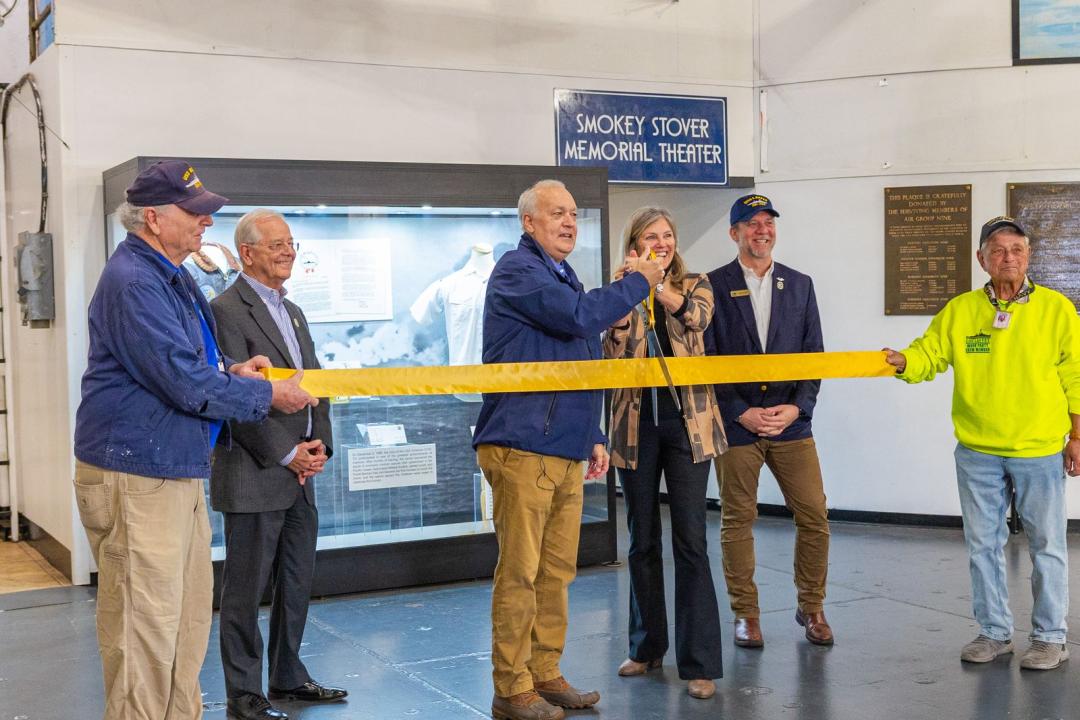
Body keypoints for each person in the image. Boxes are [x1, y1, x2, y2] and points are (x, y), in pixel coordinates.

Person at [72, 161, 316, 720]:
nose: (208, 222)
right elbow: (181, 380)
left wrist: (234, 370)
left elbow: (193, 364)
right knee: (145, 632)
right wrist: (266, 397)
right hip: (137, 476)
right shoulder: (134, 282)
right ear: (154, 218)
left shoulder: (172, 276)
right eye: (195, 212)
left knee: (182, 626)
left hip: (171, 469)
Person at [472, 179, 664, 720]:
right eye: (557, 213)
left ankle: (544, 673)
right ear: (528, 222)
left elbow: (581, 357)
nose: (569, 222)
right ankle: (511, 689)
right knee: (521, 573)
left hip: (564, 447)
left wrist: (593, 435)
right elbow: (577, 319)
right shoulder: (518, 270)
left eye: (574, 214)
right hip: (523, 445)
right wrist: (639, 284)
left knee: (556, 572)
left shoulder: (563, 276)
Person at [884, 215, 1080, 671]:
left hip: (1040, 448)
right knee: (982, 545)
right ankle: (994, 633)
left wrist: (1078, 436)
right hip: (977, 451)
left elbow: (1076, 375)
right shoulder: (961, 310)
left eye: (1016, 249)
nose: (1007, 257)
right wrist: (902, 361)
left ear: (1028, 255)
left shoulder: (1058, 310)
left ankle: (1050, 637)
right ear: (981, 259)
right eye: (997, 250)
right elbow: (930, 353)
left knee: (1047, 545)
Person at [210, 209, 347, 720]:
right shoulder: (225, 310)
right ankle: (245, 694)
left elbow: (316, 385)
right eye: (276, 245)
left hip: (300, 476)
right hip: (256, 471)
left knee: (295, 580)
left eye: (290, 243)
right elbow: (233, 396)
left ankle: (288, 675)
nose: (288, 251)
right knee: (244, 589)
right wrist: (287, 453)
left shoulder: (293, 312)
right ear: (247, 253)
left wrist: (320, 447)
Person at [604, 207, 727, 699]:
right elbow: (609, 354)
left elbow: (696, 320)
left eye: (668, 236)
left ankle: (699, 663)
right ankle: (646, 646)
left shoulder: (696, 283)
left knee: (692, 541)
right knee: (641, 540)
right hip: (635, 427)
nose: (662, 243)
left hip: (689, 427)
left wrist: (652, 284)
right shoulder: (620, 287)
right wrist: (621, 299)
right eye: (650, 237)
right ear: (633, 244)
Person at [704, 193, 832, 648]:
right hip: (739, 423)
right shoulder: (712, 286)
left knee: (814, 515)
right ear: (734, 232)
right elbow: (707, 359)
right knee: (738, 519)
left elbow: (813, 357)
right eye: (752, 223)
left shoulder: (800, 285)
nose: (762, 230)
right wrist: (740, 410)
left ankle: (811, 606)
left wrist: (798, 407)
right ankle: (746, 614)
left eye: (768, 223)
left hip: (791, 422)